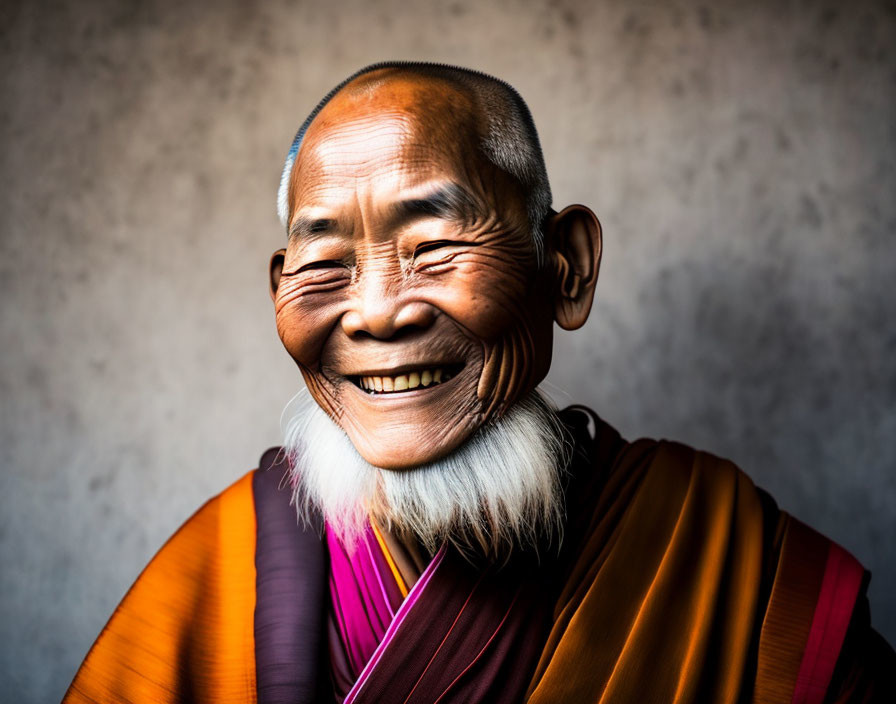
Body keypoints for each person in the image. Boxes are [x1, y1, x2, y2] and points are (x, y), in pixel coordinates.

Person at [63, 62, 894, 703]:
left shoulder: (719, 551)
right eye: (325, 264)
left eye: (433, 246)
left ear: (565, 268)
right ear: (279, 287)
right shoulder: (220, 567)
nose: (379, 314)